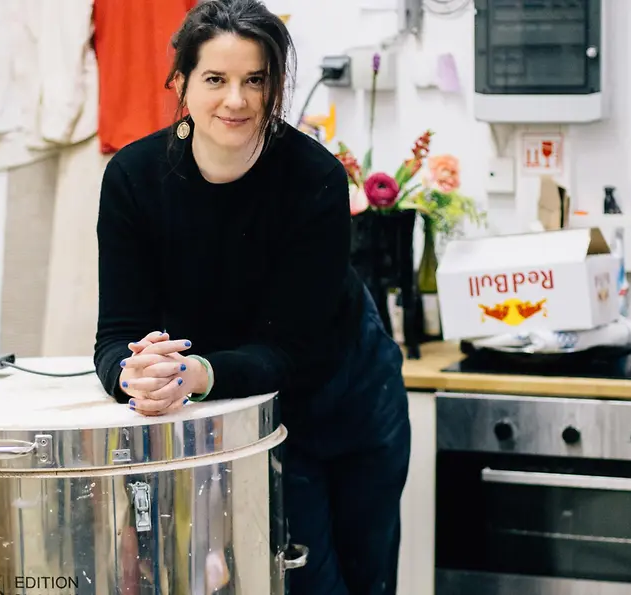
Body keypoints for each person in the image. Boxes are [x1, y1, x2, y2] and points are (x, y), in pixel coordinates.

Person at [93, 0, 411, 592]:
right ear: (181, 83)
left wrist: (196, 374)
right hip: (247, 412)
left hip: (349, 396)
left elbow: (294, 349)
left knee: (364, 581)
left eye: (254, 80)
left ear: (274, 87)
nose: (235, 100)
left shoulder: (312, 177)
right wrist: (131, 375)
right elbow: (116, 334)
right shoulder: (134, 178)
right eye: (215, 79)